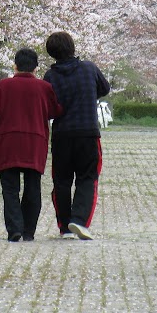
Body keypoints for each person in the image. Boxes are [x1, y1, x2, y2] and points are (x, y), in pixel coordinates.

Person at [0, 48, 63, 242]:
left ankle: (14, 229)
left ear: (15, 65)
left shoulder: (3, 86)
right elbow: (55, 111)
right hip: (35, 142)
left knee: (10, 188)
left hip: (8, 142)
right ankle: (28, 230)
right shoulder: (44, 88)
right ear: (36, 68)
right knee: (32, 187)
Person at [43, 31, 110, 240]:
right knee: (88, 177)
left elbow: (49, 105)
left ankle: (64, 227)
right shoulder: (89, 68)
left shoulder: (50, 76)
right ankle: (79, 221)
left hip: (62, 135)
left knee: (61, 180)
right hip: (87, 133)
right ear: (72, 46)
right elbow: (104, 88)